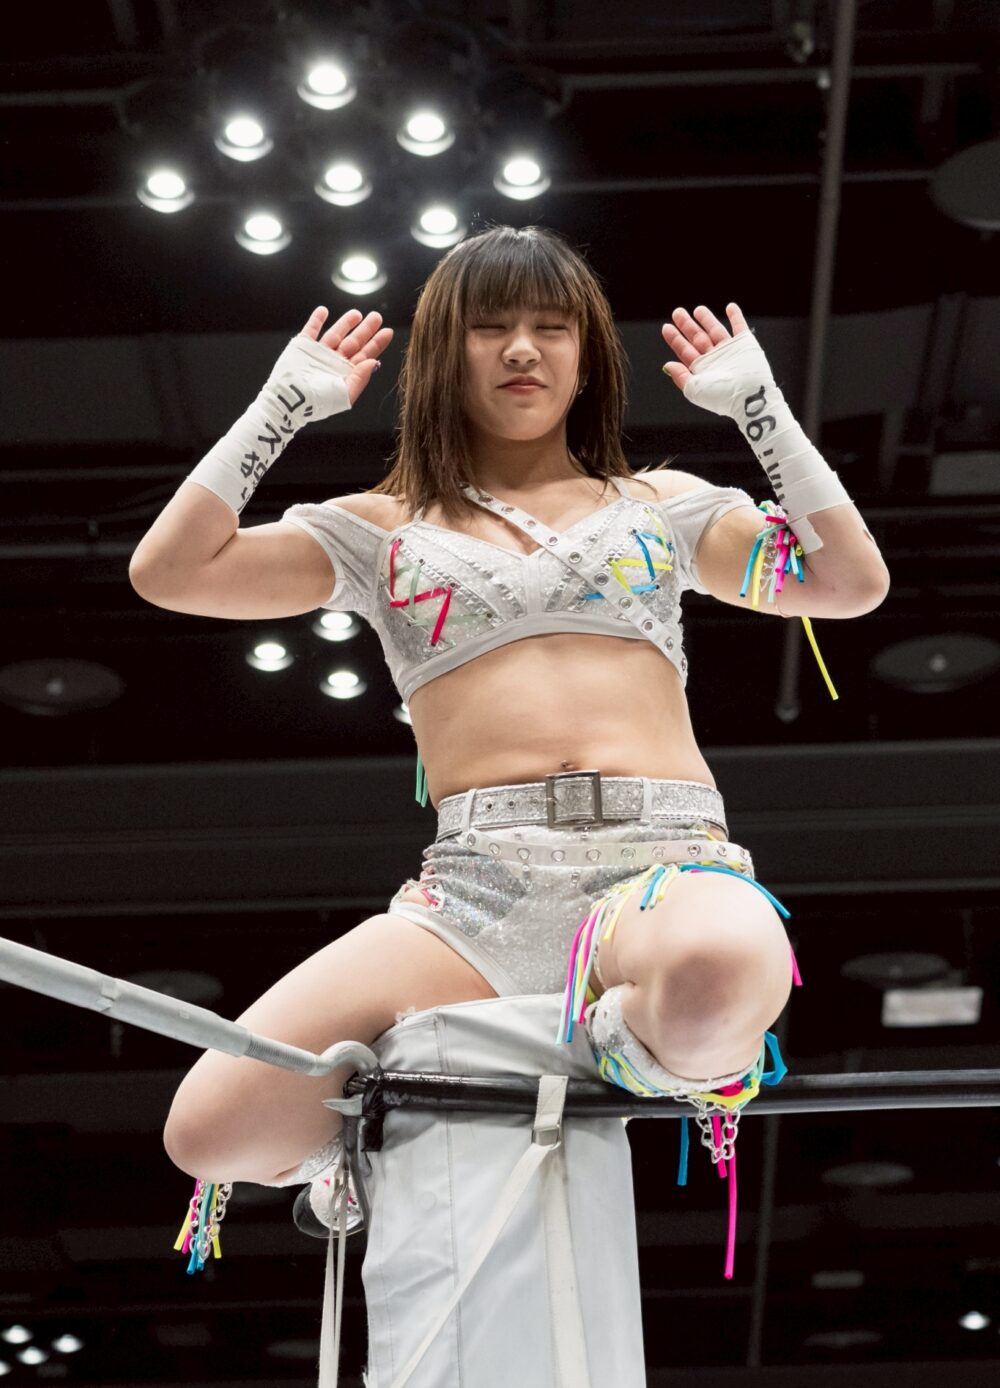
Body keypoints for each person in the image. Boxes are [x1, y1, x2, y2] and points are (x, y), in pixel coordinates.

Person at [130, 224, 890, 1286]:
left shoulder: (664, 507)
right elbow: (171, 573)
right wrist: (282, 408)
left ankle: (621, 1045)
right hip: (476, 892)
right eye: (490, 327)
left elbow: (848, 583)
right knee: (212, 1130)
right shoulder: (377, 530)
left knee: (719, 979)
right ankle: (380, 1134)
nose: (523, 348)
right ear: (446, 356)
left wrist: (761, 410)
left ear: (588, 356)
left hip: (661, 870)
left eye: (550, 327)